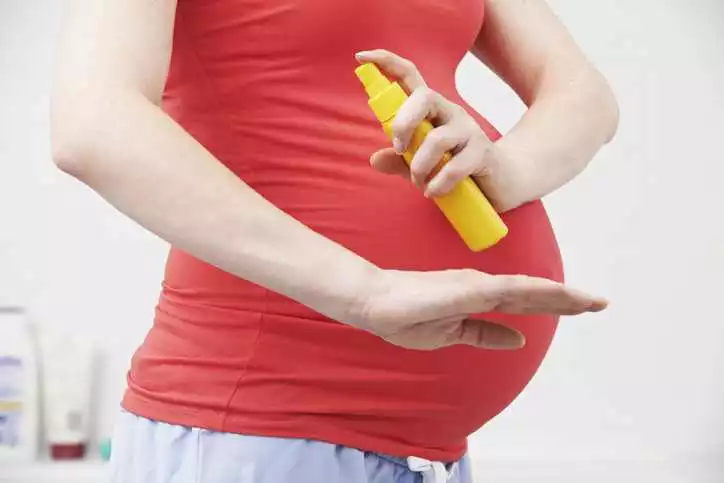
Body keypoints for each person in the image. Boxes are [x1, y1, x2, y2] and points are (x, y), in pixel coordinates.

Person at [51, 0, 618, 481]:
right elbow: (95, 123)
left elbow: (582, 93)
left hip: (426, 454)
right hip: (257, 429)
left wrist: (504, 169)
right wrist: (363, 291)